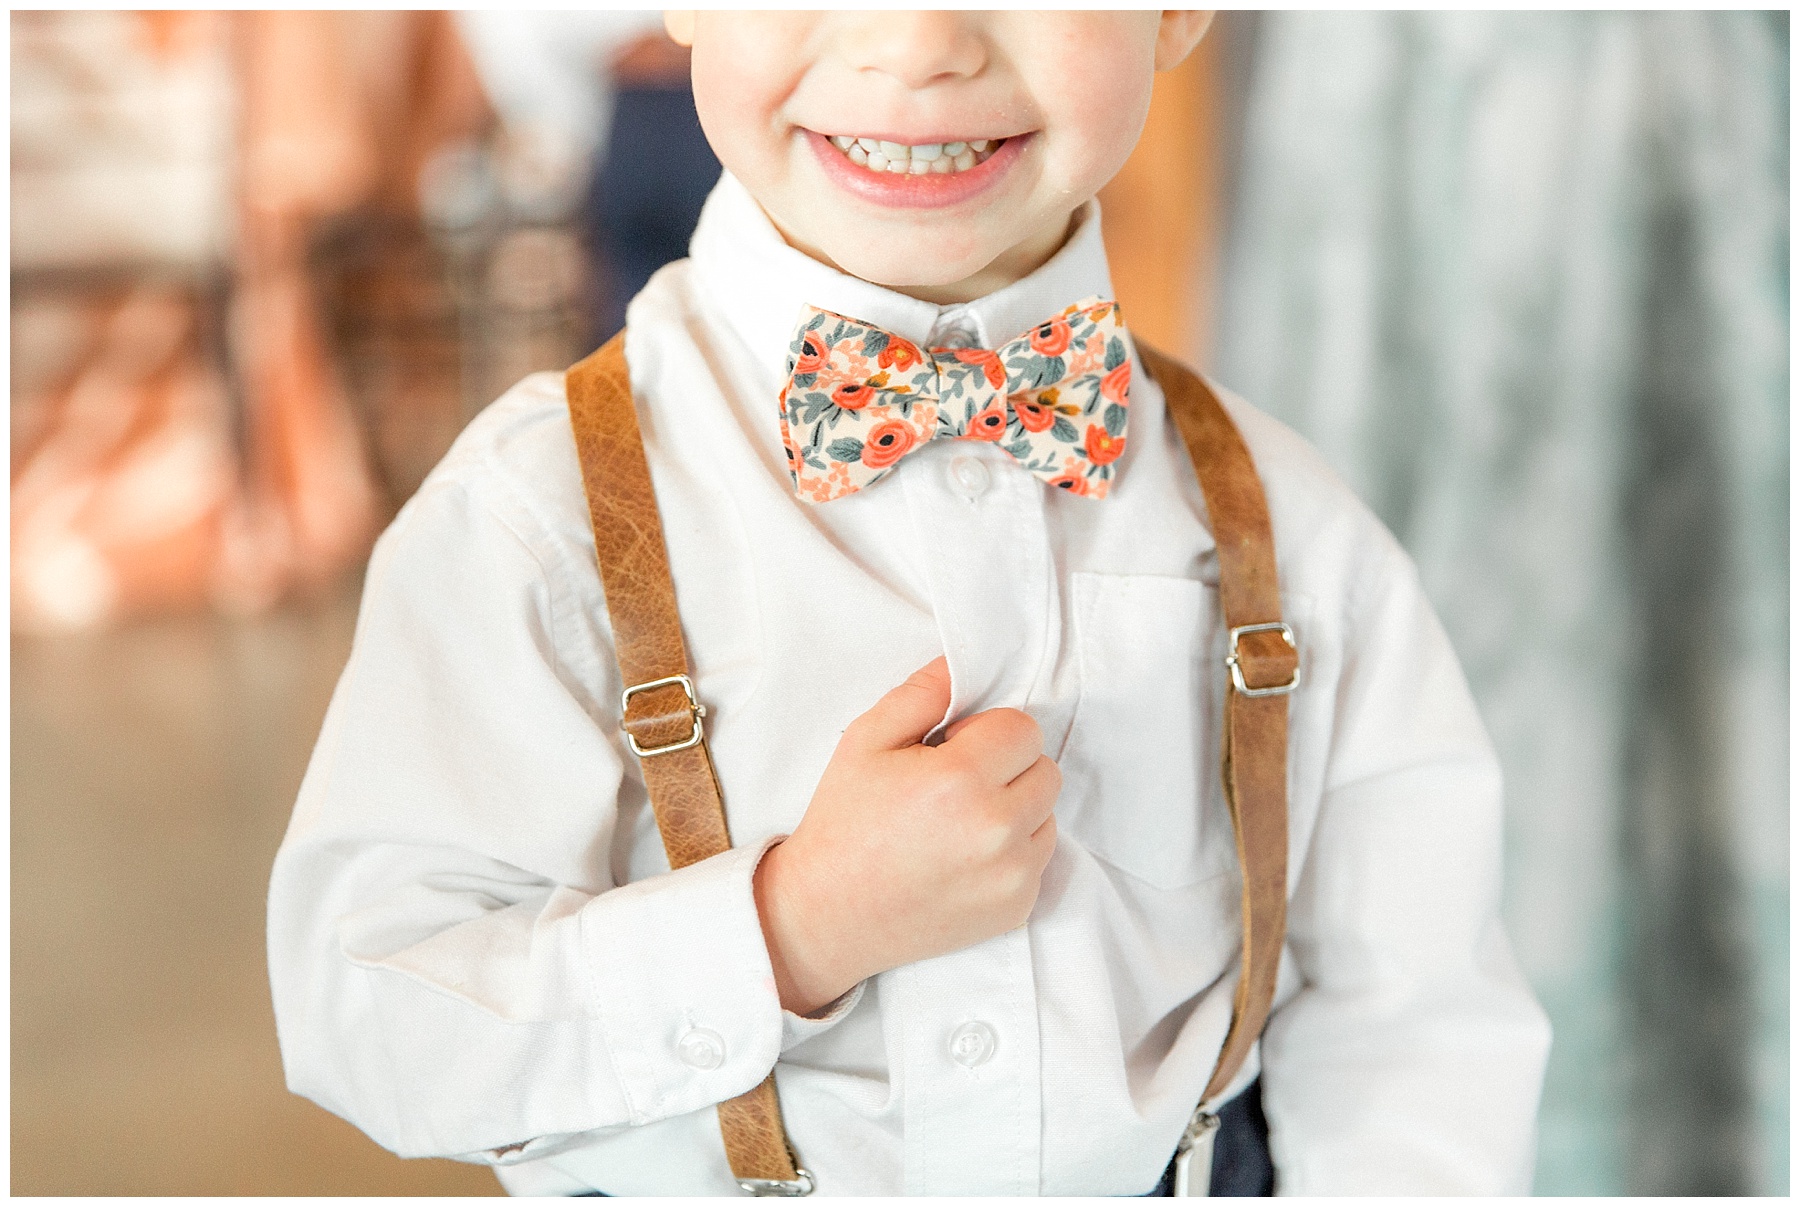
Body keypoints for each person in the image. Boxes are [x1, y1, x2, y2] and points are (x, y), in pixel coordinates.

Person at [268, 11, 1551, 1196]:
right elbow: (372, 1016)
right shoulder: (529, 519)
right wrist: (786, 933)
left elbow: (1414, 1034)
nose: (920, 43)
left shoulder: (1290, 530)